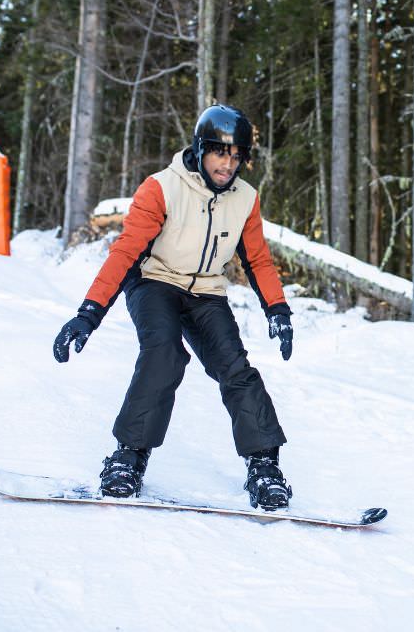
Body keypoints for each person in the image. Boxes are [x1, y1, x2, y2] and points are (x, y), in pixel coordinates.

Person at [52, 104, 295, 511]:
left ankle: (264, 466)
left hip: (207, 293)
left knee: (236, 368)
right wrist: (88, 313)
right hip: (155, 282)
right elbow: (126, 252)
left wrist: (278, 310)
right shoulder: (161, 187)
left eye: (236, 157)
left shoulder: (245, 199)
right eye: (220, 152)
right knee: (163, 354)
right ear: (200, 149)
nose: (227, 164)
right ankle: (128, 457)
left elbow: (258, 259)